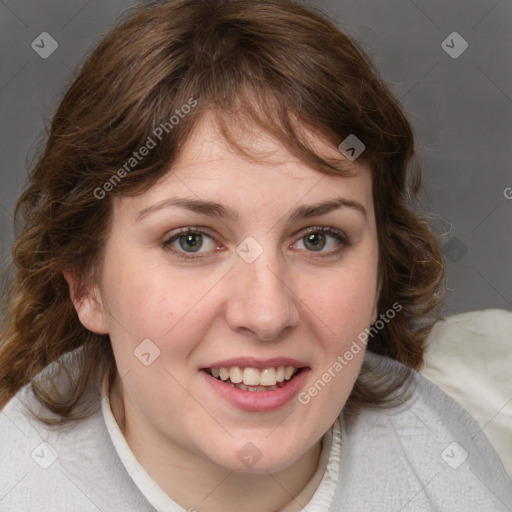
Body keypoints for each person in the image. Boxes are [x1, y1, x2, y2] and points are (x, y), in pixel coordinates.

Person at [0, 0, 510, 510]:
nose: (267, 314)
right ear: (85, 282)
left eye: (317, 239)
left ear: (380, 274)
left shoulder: (460, 477)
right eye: (191, 240)